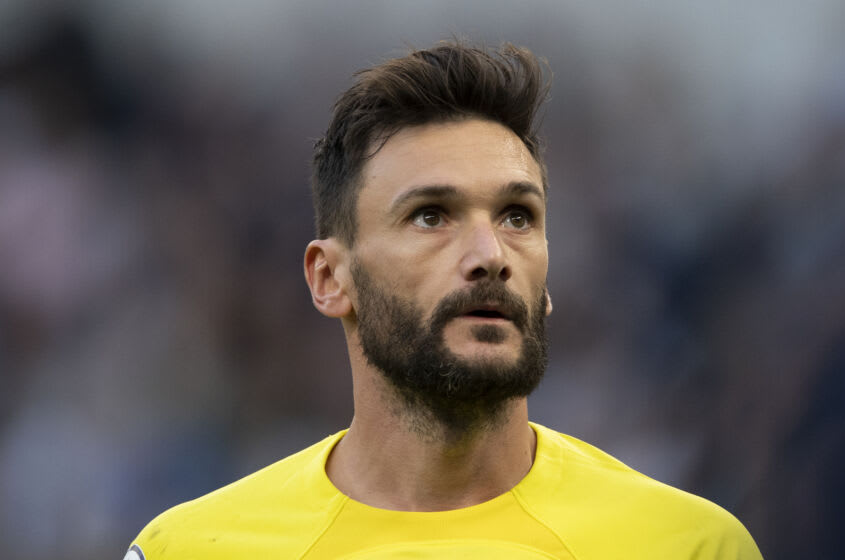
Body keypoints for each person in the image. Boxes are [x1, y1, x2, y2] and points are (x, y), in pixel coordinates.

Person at [124, 40, 762, 559]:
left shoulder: (688, 547)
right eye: (431, 216)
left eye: (518, 216)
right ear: (328, 279)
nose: (490, 253)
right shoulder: (189, 550)